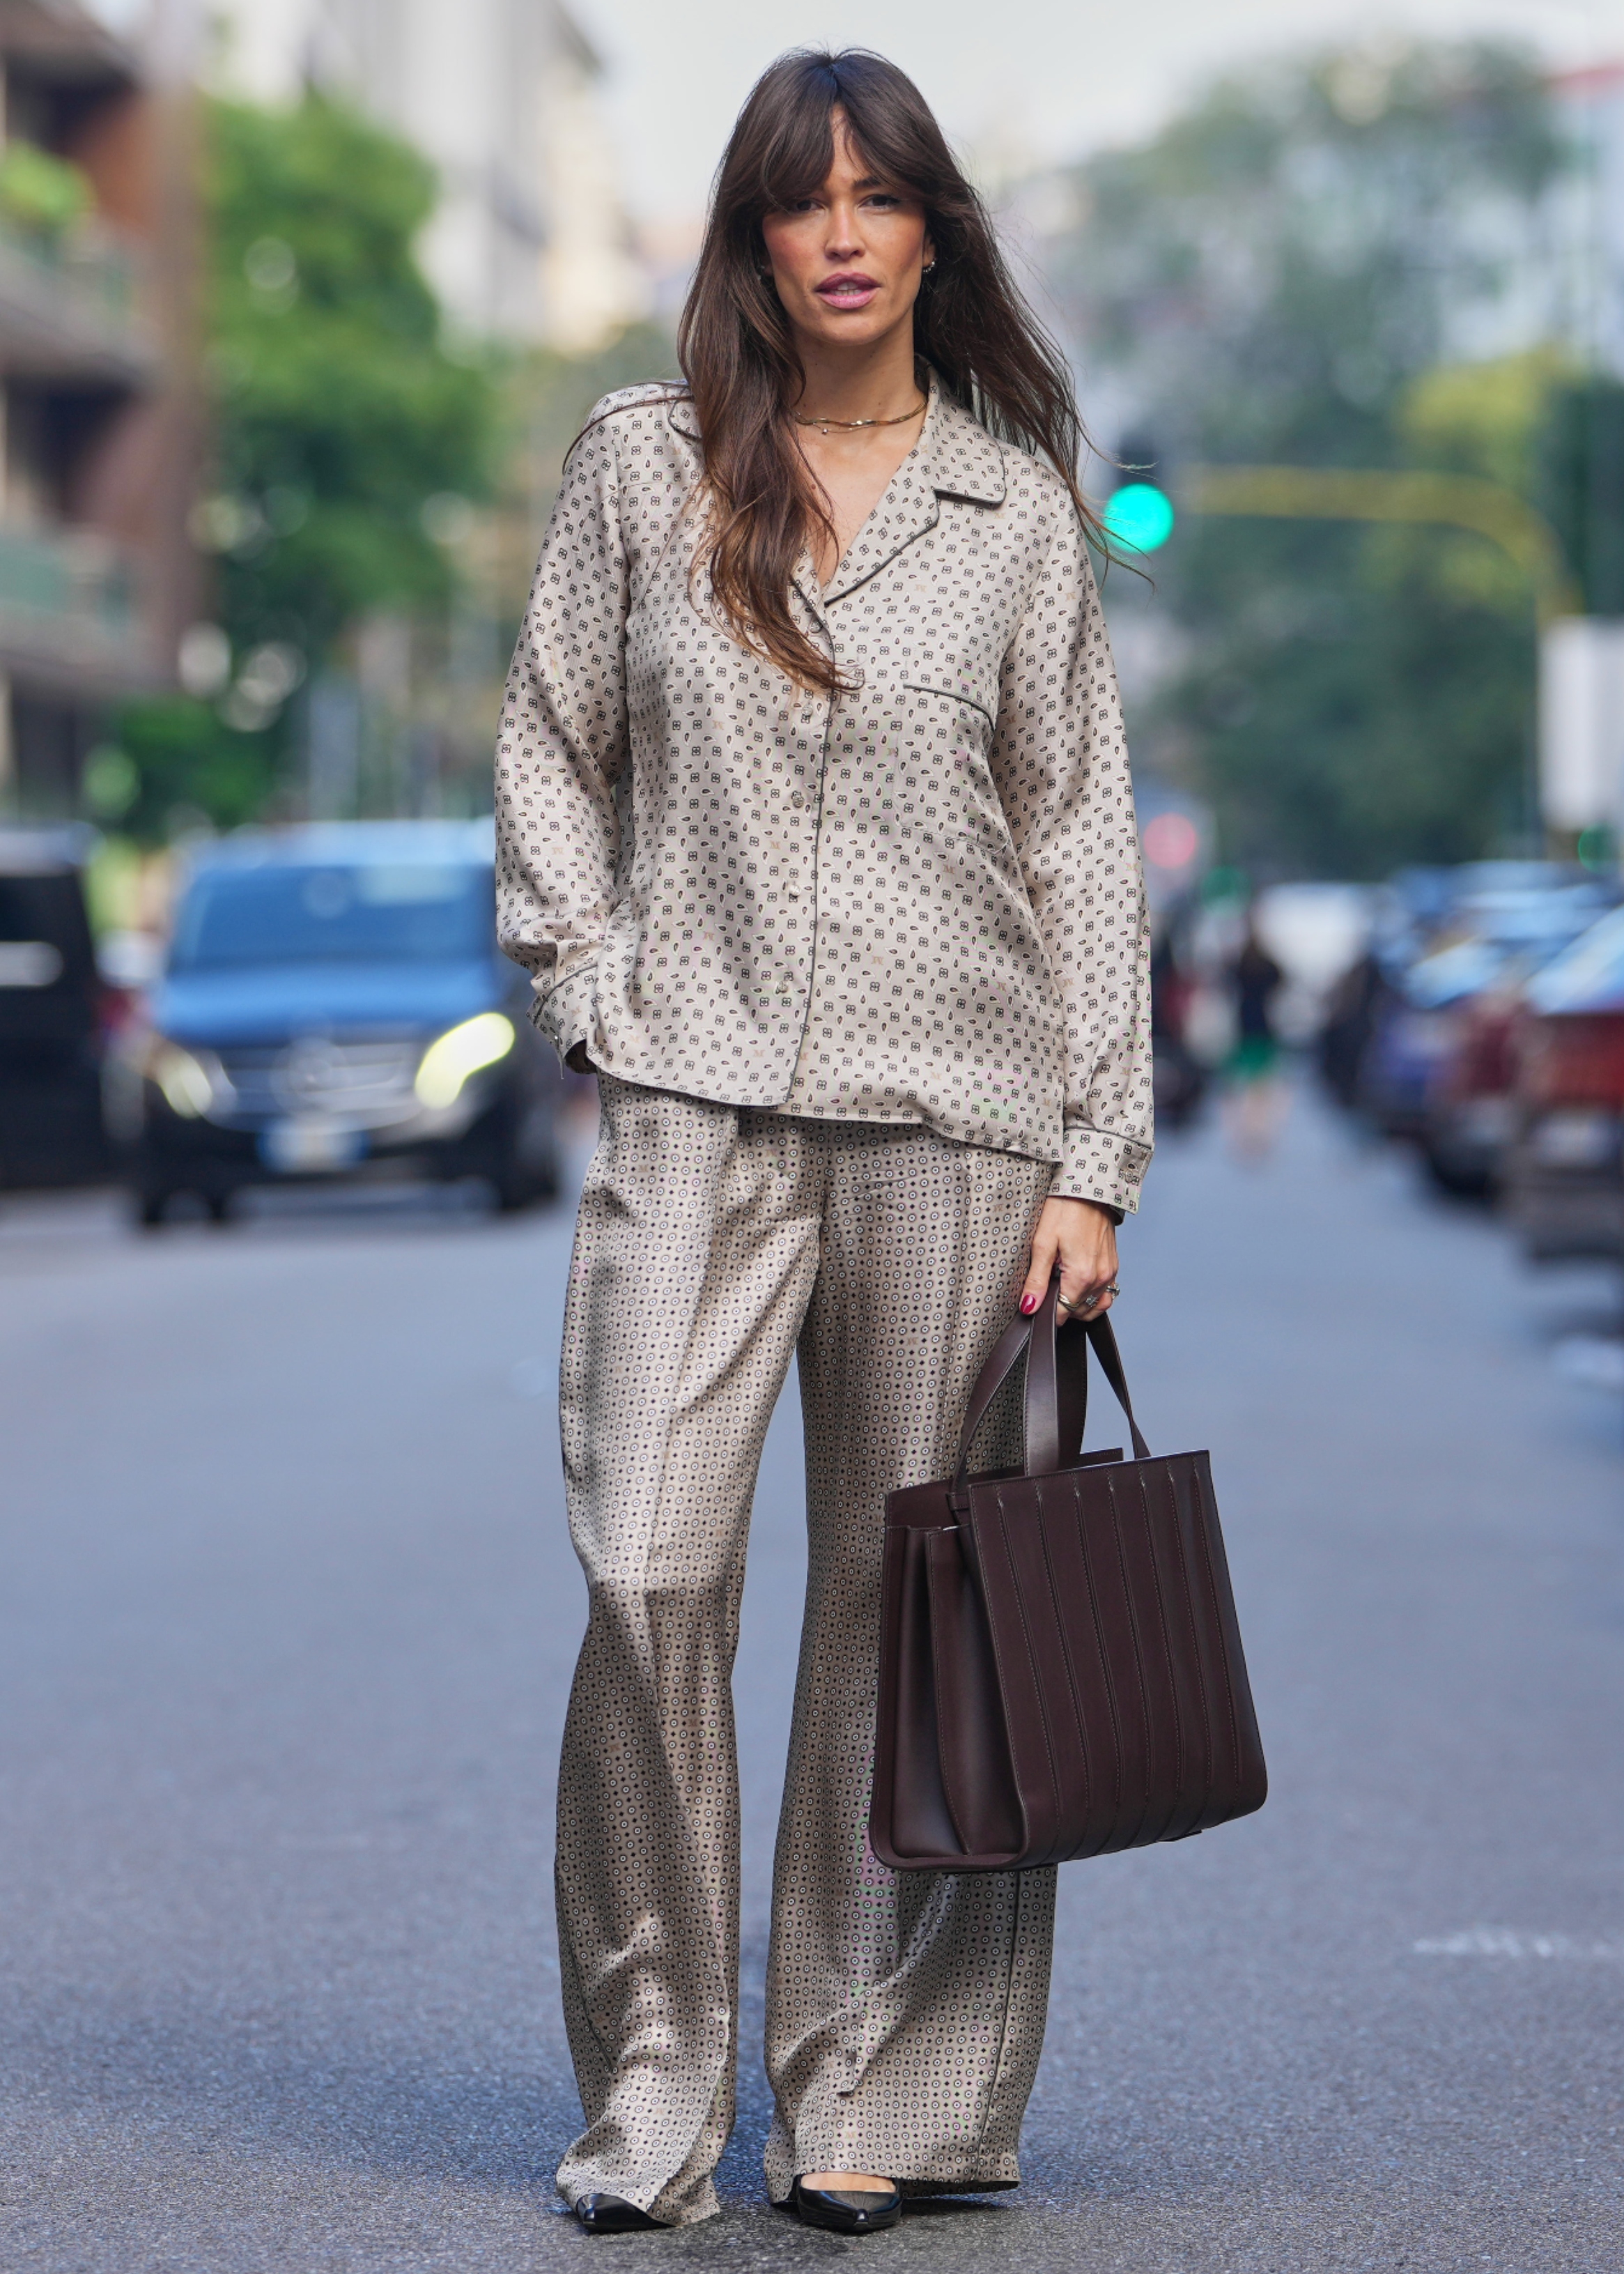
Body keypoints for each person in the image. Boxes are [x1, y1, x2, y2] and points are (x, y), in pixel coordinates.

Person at [495, 47, 1152, 2236]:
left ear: (935, 233)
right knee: (649, 1562)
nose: (847, 232)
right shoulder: (641, 471)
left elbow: (1077, 843)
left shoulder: (1012, 511)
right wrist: (595, 986)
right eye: (807, 199)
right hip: (691, 1101)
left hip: (960, 1108)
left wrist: (1096, 1155)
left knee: (912, 1615)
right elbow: (548, 751)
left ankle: (866, 2085)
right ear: (758, 236)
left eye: (884, 198)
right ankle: (664, 2079)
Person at [1223, 912, 1287, 1159]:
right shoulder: (1268, 965)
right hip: (1263, 1026)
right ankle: (1258, 1130)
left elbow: (1224, 982)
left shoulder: (1238, 963)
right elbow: (1283, 979)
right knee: (1260, 1086)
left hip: (1242, 1026)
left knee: (1242, 1085)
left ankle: (1246, 1130)